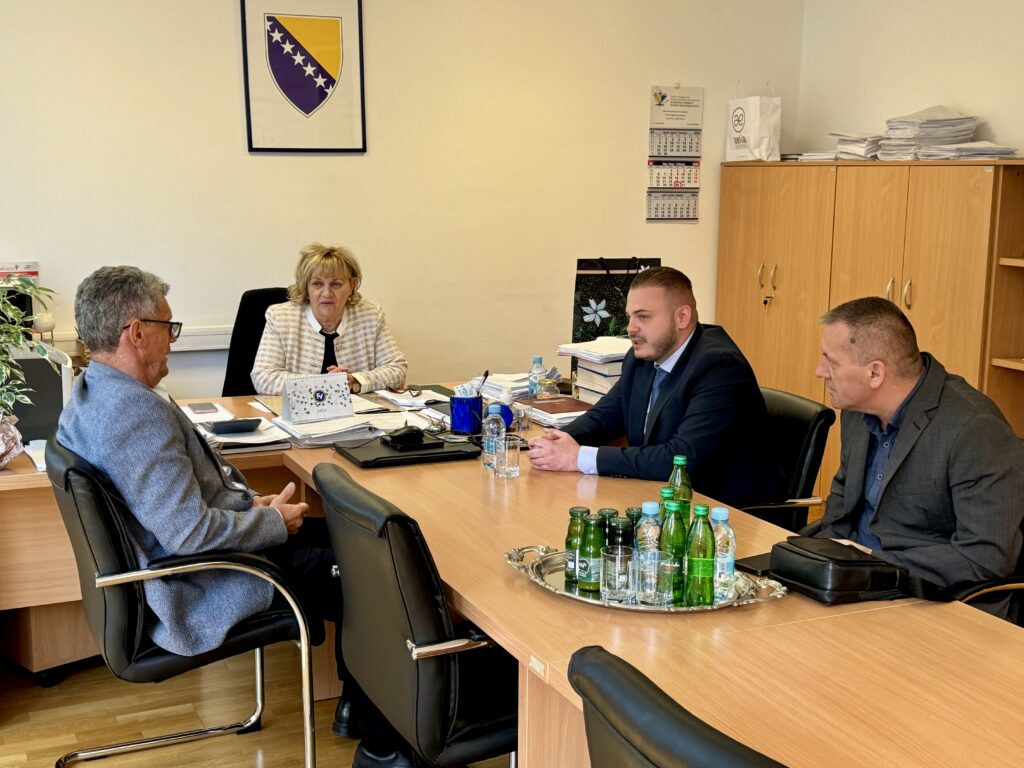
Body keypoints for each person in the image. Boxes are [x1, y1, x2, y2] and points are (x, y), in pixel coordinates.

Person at [57, 266, 416, 768]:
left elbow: (176, 511)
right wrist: (270, 524)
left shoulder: (95, 391)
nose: (173, 339)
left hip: (195, 557)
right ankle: (383, 748)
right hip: (199, 578)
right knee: (373, 574)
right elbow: (188, 533)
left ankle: (360, 707)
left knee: (361, 540)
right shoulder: (133, 413)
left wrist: (251, 507)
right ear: (136, 332)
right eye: (167, 327)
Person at [814, 297, 1024, 620]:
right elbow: (841, 502)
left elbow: (987, 555)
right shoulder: (856, 411)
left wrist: (874, 563)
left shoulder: (974, 428)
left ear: (875, 373)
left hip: (931, 600)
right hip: (852, 588)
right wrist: (816, 561)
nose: (820, 372)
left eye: (832, 363)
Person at [528, 266, 783, 507]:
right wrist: (556, 442)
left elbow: (682, 459)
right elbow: (608, 414)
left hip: (717, 512)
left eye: (643, 317)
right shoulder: (645, 355)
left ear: (682, 317)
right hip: (659, 497)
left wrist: (578, 457)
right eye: (630, 317)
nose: (631, 328)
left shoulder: (719, 367)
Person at [251, 243, 408, 395]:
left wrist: (355, 381)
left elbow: (397, 369)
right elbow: (263, 378)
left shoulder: (370, 315)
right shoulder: (281, 318)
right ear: (306, 287)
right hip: (298, 412)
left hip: (358, 411)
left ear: (352, 285)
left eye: (336, 284)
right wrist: (324, 383)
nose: (326, 293)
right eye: (317, 284)